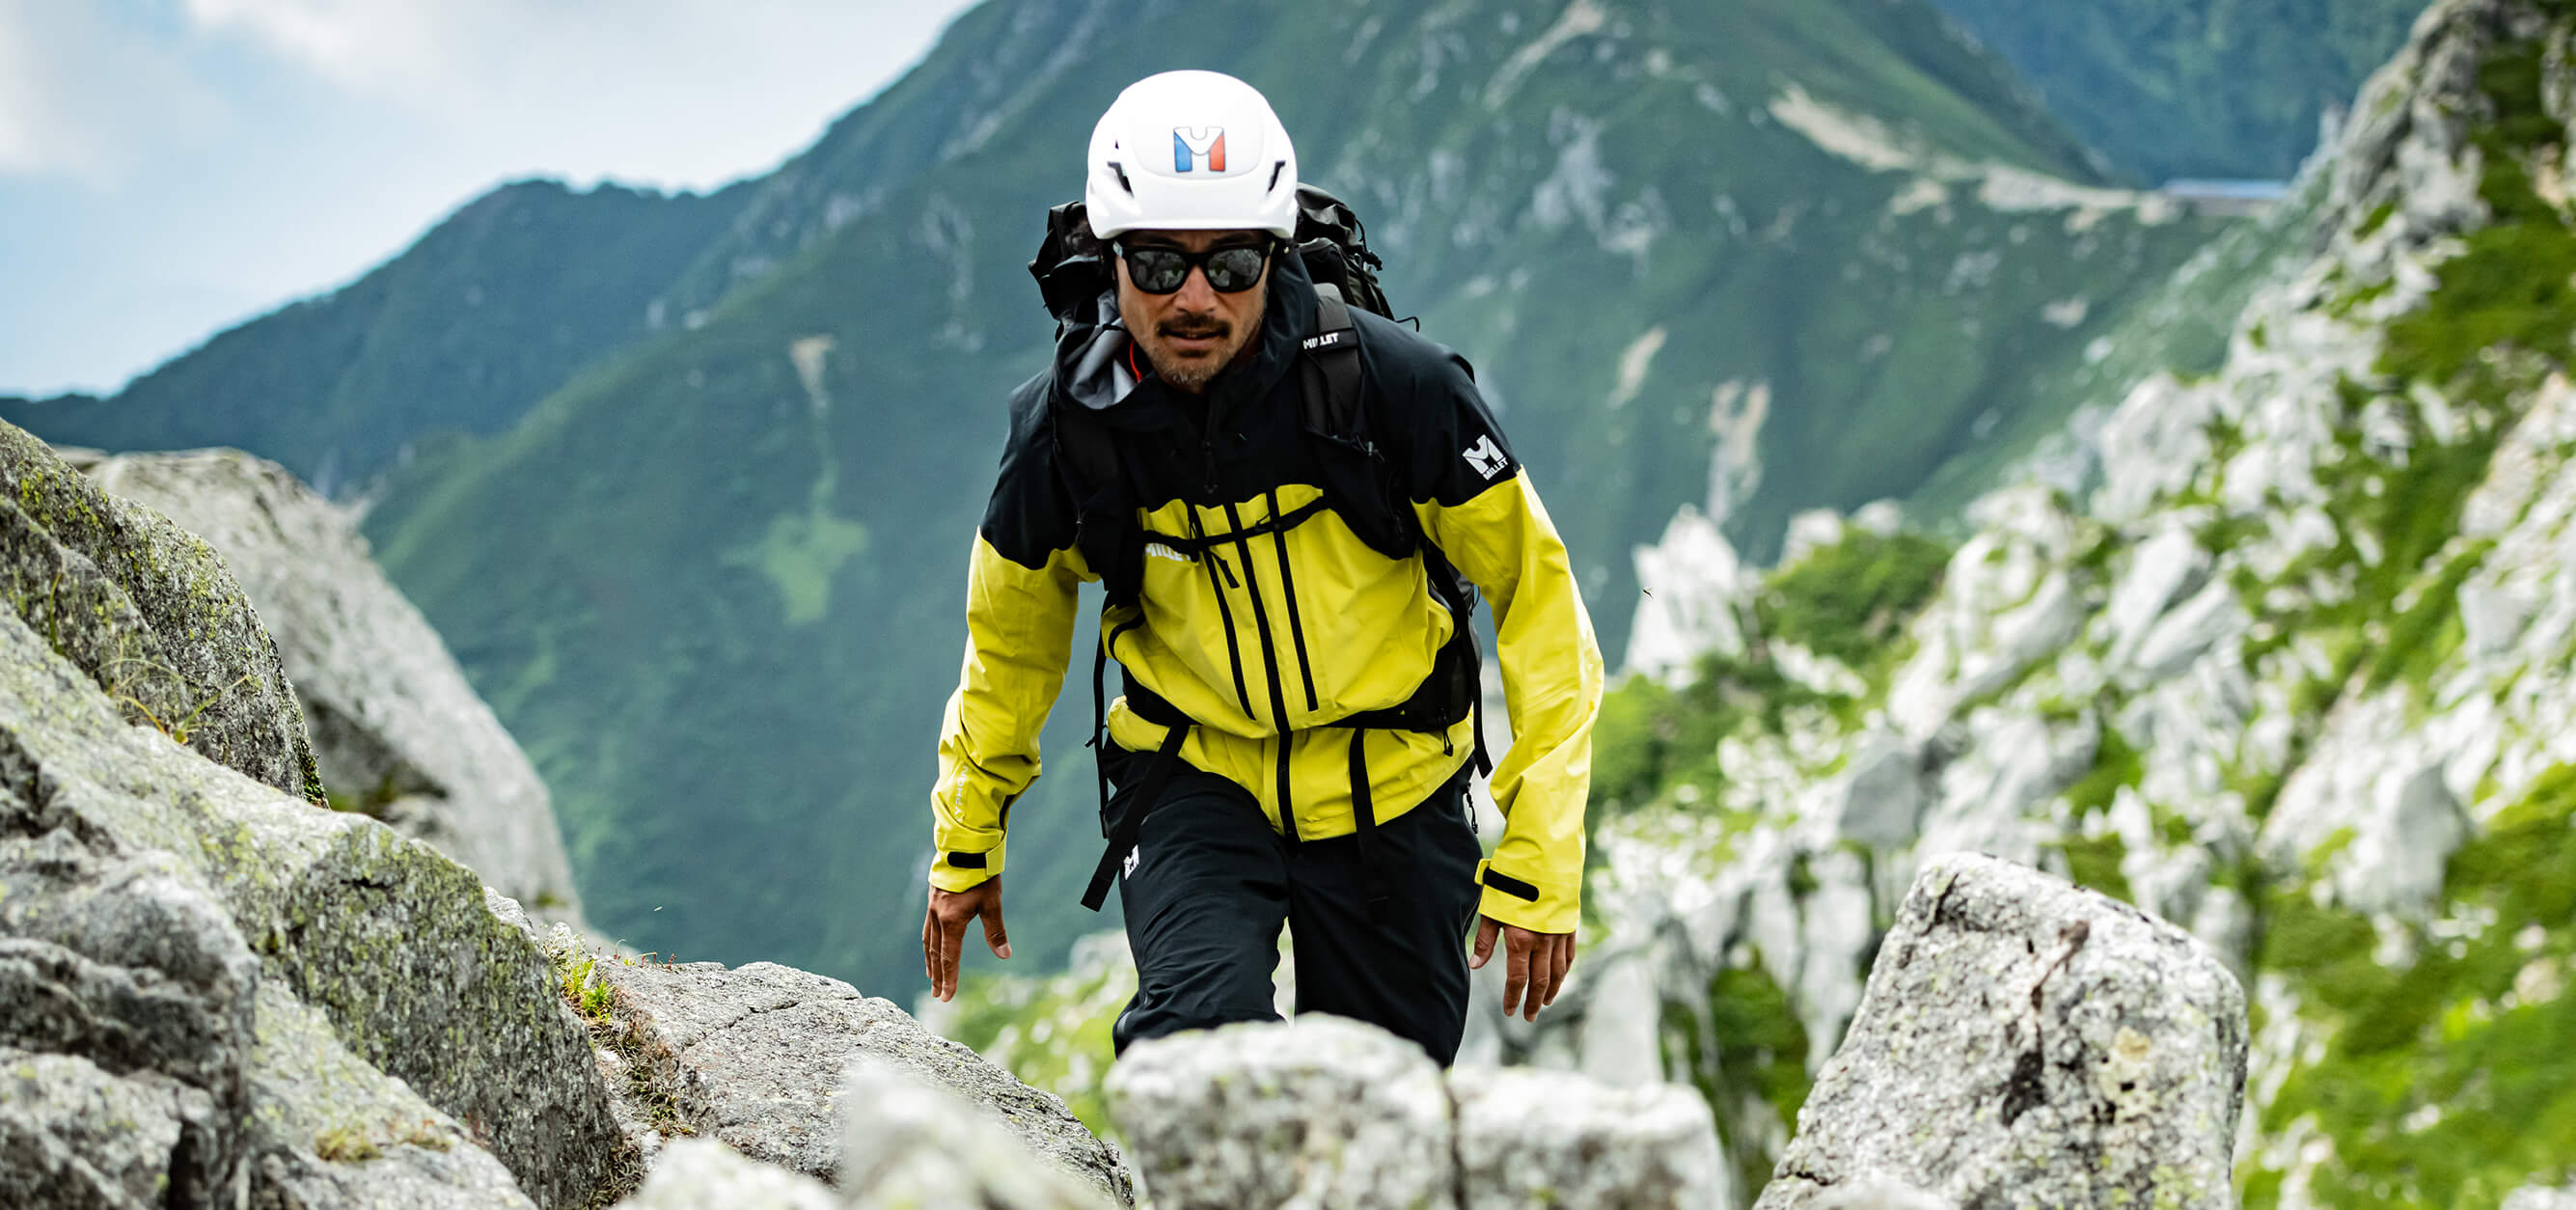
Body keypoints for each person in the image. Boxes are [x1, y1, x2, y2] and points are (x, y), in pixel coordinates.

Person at [919, 69, 1602, 1064]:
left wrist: (1541, 846)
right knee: (1193, 1047)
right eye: (1159, 263)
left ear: (1274, 254)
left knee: (1382, 1097)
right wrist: (967, 835)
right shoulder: (1067, 430)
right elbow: (1010, 646)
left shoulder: (1391, 386)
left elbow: (1537, 599)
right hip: (1191, 777)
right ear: (1110, 259)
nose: (1195, 298)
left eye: (1233, 262)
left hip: (1394, 784)